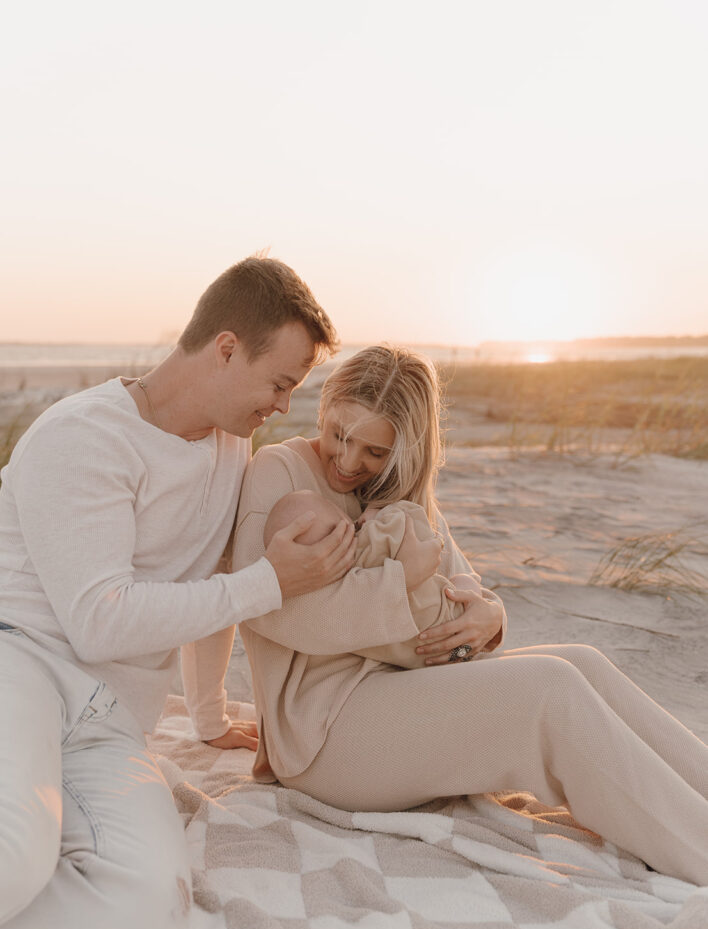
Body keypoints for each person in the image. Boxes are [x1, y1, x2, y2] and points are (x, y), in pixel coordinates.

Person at [232, 344, 708, 886]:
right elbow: (270, 609)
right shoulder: (280, 471)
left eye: (374, 450)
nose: (347, 461)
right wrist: (400, 581)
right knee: (549, 692)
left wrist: (488, 620)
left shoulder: (397, 490)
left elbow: (466, 585)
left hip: (402, 691)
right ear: (325, 408)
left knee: (582, 660)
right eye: (340, 434)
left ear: (406, 450)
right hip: (323, 736)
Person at [0, 256, 357, 929]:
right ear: (225, 348)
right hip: (20, 667)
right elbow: (101, 620)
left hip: (108, 721)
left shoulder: (230, 445)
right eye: (280, 383)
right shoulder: (83, 435)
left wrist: (208, 716)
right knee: (16, 855)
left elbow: (208, 578)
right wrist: (269, 582)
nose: (283, 405)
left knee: (147, 913)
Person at [263, 488, 495, 669]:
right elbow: (417, 526)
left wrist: (495, 618)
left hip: (431, 655)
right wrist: (380, 513)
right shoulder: (367, 545)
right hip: (447, 626)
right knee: (463, 582)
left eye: (374, 452)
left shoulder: (339, 583)